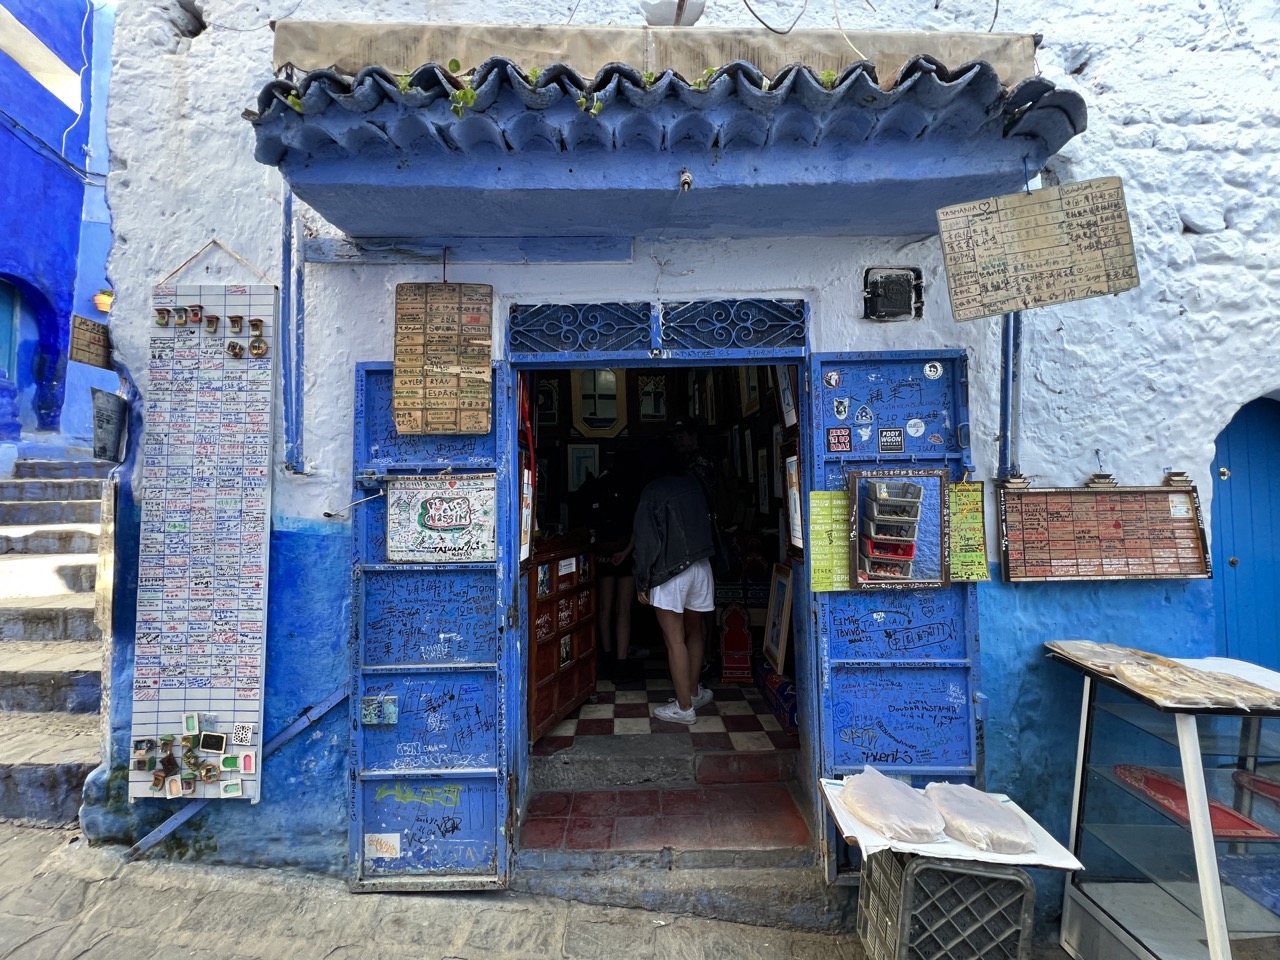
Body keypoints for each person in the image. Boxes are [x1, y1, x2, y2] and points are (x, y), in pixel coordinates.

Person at [631, 446, 716, 724]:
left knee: (674, 640)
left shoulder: (652, 492)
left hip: (671, 573)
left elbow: (646, 542)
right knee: (696, 632)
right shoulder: (694, 483)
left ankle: (684, 708)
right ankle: (693, 691)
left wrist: (641, 580)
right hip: (702, 566)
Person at [585, 449, 648, 676]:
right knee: (624, 609)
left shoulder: (599, 486)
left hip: (603, 551)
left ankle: (607, 654)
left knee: (604, 607)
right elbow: (637, 527)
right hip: (625, 552)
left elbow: (590, 524)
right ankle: (621, 660)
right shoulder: (634, 488)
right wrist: (626, 551)